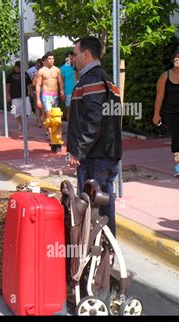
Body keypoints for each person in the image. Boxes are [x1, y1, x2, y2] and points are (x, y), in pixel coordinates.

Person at [67, 36, 122, 237]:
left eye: (75, 53)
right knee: (104, 208)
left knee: (94, 210)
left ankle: (100, 259)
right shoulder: (107, 80)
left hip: (95, 158)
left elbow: (94, 120)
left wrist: (78, 150)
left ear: (86, 54)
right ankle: (105, 257)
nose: (73, 57)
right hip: (106, 155)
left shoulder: (91, 81)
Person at [153, 50, 179, 177]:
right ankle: (177, 164)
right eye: (177, 58)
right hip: (170, 112)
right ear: (173, 60)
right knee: (177, 137)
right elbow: (160, 96)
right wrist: (156, 114)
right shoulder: (165, 76)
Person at [35, 51, 65, 141]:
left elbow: (60, 82)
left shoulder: (57, 70)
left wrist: (62, 90)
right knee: (48, 114)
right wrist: (38, 99)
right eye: (49, 59)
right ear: (46, 60)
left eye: (52, 58)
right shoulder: (41, 71)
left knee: (55, 115)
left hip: (55, 95)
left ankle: (54, 132)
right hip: (46, 95)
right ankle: (50, 133)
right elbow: (38, 85)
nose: (51, 60)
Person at [6, 61, 33, 131]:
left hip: (25, 96)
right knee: (15, 111)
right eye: (18, 66)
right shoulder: (10, 75)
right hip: (14, 97)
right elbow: (8, 85)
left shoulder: (25, 74)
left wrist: (32, 92)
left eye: (20, 67)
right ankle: (20, 124)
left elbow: (30, 84)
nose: (19, 68)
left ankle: (24, 124)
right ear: (15, 66)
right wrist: (8, 94)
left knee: (27, 111)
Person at [60, 51, 77, 121]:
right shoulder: (63, 68)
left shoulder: (77, 67)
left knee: (78, 111)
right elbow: (61, 82)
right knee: (69, 111)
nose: (71, 59)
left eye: (72, 58)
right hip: (68, 93)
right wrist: (62, 92)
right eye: (69, 58)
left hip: (78, 92)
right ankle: (69, 128)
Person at [29, 59, 44, 128]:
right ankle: (38, 122)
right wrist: (31, 91)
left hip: (44, 91)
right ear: (36, 63)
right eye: (39, 64)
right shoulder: (31, 71)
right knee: (37, 106)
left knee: (42, 107)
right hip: (36, 91)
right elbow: (30, 83)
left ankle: (41, 119)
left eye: (41, 65)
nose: (39, 66)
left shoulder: (43, 70)